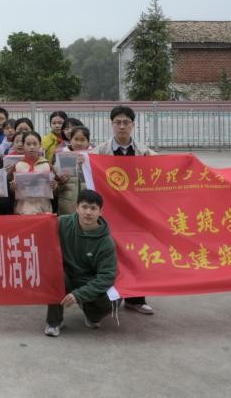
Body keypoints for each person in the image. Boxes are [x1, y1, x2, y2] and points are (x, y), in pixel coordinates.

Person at [92, 105, 156, 315]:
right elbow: (83, 174)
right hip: (110, 212)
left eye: (126, 122)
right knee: (110, 254)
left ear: (133, 125)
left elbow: (164, 171)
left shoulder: (145, 153)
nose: (122, 126)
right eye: (117, 122)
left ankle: (136, 299)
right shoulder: (99, 152)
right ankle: (111, 296)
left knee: (136, 254)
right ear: (111, 124)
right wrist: (80, 162)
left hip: (135, 213)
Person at [44, 189, 119, 337]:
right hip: (66, 275)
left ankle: (91, 314)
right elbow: (39, 232)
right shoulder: (62, 223)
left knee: (114, 300)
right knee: (55, 274)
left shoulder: (106, 241)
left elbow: (107, 276)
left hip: (88, 280)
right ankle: (54, 321)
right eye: (84, 207)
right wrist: (41, 219)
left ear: (101, 212)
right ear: (77, 208)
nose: (88, 212)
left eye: (93, 208)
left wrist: (79, 295)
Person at [10, 131, 54, 215]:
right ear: (23, 145)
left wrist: (54, 186)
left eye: (35, 144)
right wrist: (12, 188)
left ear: (40, 145)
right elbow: (11, 192)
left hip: (44, 209)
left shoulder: (47, 165)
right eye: (28, 144)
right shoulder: (17, 166)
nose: (32, 147)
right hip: (23, 210)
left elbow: (56, 190)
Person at [53, 125, 92, 215]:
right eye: (76, 139)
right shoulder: (61, 158)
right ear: (70, 140)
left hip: (88, 206)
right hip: (66, 207)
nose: (79, 143)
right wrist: (59, 182)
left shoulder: (93, 159)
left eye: (82, 140)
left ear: (88, 142)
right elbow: (54, 191)